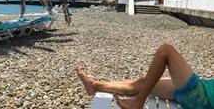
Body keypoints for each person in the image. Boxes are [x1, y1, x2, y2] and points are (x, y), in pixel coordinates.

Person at [76, 43, 213, 109]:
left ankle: (138, 103)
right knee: (146, 82)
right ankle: (94, 85)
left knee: (165, 51)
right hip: (202, 91)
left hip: (200, 96)